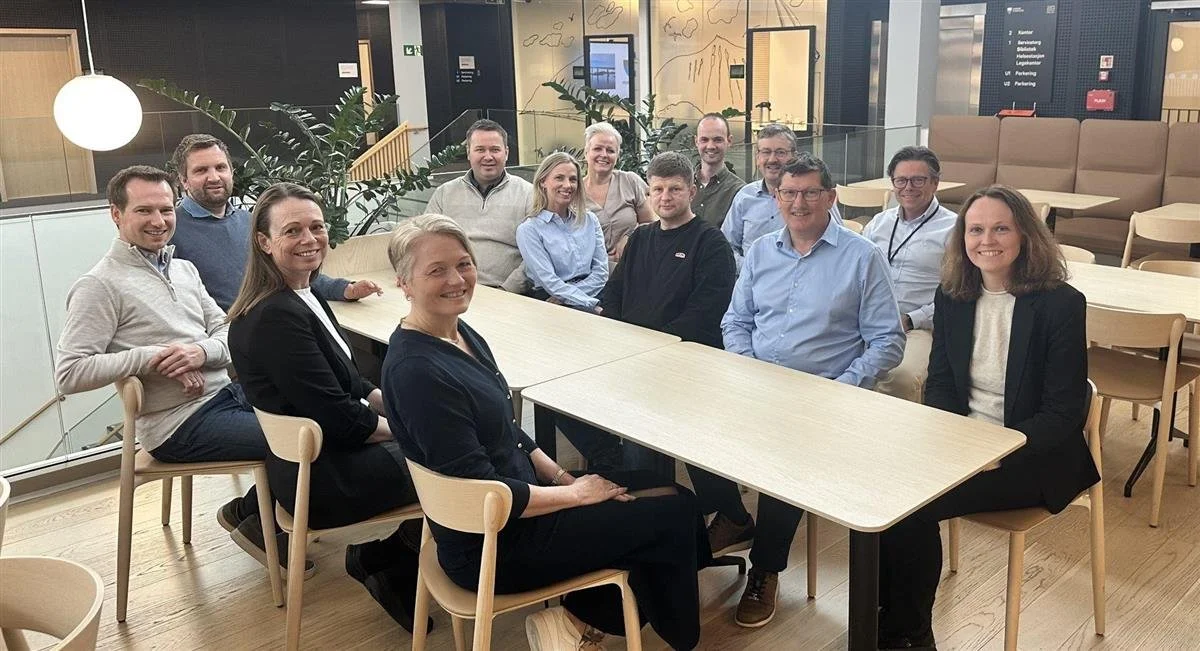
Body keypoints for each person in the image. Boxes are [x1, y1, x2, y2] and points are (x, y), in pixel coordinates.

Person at [381, 214, 708, 651]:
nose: (456, 280)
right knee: (671, 518)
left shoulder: (458, 333)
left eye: (463, 264)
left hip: (519, 506)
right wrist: (577, 496)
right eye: (436, 270)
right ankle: (583, 624)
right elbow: (483, 491)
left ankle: (578, 621)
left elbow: (509, 431)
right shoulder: (417, 372)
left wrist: (565, 477)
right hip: (495, 544)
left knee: (673, 493)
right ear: (404, 282)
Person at [876, 185, 1099, 649]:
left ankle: (908, 637)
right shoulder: (952, 296)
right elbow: (940, 383)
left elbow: (1062, 413)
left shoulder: (1061, 303)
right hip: (961, 447)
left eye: (1001, 229)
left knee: (906, 510)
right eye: (975, 230)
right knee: (877, 489)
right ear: (962, 239)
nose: (986, 240)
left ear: (1025, 235)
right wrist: (950, 439)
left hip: (1030, 456)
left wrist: (993, 451)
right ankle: (883, 620)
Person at [697, 155, 905, 628]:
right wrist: (747, 369)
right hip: (758, 385)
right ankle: (733, 515)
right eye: (789, 193)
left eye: (811, 192)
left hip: (823, 396)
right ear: (776, 198)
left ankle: (765, 569)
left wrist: (841, 387)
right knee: (685, 426)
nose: (799, 202)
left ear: (831, 197)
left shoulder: (861, 256)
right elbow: (736, 321)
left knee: (783, 459)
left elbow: (888, 341)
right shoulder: (760, 251)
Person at [54, 165, 281, 572]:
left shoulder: (183, 268)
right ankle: (259, 524)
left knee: (314, 412)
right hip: (180, 423)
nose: (158, 221)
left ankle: (250, 513)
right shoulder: (99, 285)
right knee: (295, 440)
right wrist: (154, 356)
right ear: (116, 214)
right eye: (144, 210)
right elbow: (70, 374)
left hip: (225, 394)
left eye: (165, 209)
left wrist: (199, 353)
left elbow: (228, 332)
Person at [226, 182, 425, 633]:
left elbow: (353, 384)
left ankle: (396, 562)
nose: (310, 239)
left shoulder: (304, 293)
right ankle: (389, 561)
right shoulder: (275, 317)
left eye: (316, 227)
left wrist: (402, 409)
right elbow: (343, 420)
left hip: (316, 463)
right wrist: (414, 429)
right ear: (264, 242)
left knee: (452, 443)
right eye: (292, 230)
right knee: (456, 461)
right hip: (322, 480)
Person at [576, 151, 737, 479]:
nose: (665, 197)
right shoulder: (640, 237)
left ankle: (647, 491)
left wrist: (648, 350)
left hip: (683, 363)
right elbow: (614, 293)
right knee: (567, 401)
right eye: (658, 189)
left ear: (692, 191)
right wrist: (614, 341)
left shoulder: (711, 243)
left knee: (644, 441)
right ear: (648, 193)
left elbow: (703, 315)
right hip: (629, 356)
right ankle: (615, 470)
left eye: (675, 189)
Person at [169, 134, 380, 312]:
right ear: (183, 180)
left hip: (275, 321)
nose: (214, 177)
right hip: (226, 339)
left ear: (231, 172)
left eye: (220, 167)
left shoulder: (249, 221)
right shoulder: (170, 231)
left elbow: (288, 270)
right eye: (201, 170)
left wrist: (344, 289)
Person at [862, 146, 957, 403]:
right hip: (869, 321)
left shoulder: (954, 229)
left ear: (935, 183)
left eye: (918, 180)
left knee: (899, 378)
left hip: (919, 327)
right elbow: (856, 275)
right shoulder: (878, 223)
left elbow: (957, 294)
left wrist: (912, 319)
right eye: (901, 180)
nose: (908, 187)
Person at [425, 119, 532, 293]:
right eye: (480, 150)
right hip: (451, 288)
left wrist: (507, 291)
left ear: (506, 153)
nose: (488, 157)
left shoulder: (528, 194)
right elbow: (424, 241)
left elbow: (536, 255)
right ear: (468, 153)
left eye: (495, 150)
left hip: (506, 292)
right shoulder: (444, 193)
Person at [721, 124, 841, 269]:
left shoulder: (815, 197)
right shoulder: (745, 196)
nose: (772, 159)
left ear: (794, 156)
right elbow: (725, 245)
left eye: (780, 152)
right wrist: (750, 267)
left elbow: (837, 243)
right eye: (766, 152)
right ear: (757, 157)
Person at [516, 152, 608, 310]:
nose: (567, 185)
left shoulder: (590, 220)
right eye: (559, 178)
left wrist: (572, 298)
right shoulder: (529, 230)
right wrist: (591, 305)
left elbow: (601, 272)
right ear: (543, 182)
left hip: (590, 293)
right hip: (551, 299)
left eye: (573, 179)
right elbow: (549, 281)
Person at [581, 122, 653, 264]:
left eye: (610, 150)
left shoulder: (630, 181)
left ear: (617, 155)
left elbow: (650, 223)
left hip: (633, 265)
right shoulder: (573, 191)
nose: (604, 155)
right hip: (588, 272)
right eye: (597, 149)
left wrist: (630, 237)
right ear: (586, 152)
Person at [690, 113, 744, 229]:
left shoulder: (739, 192)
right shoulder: (683, 186)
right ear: (696, 141)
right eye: (704, 139)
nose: (711, 146)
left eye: (717, 140)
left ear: (729, 141)